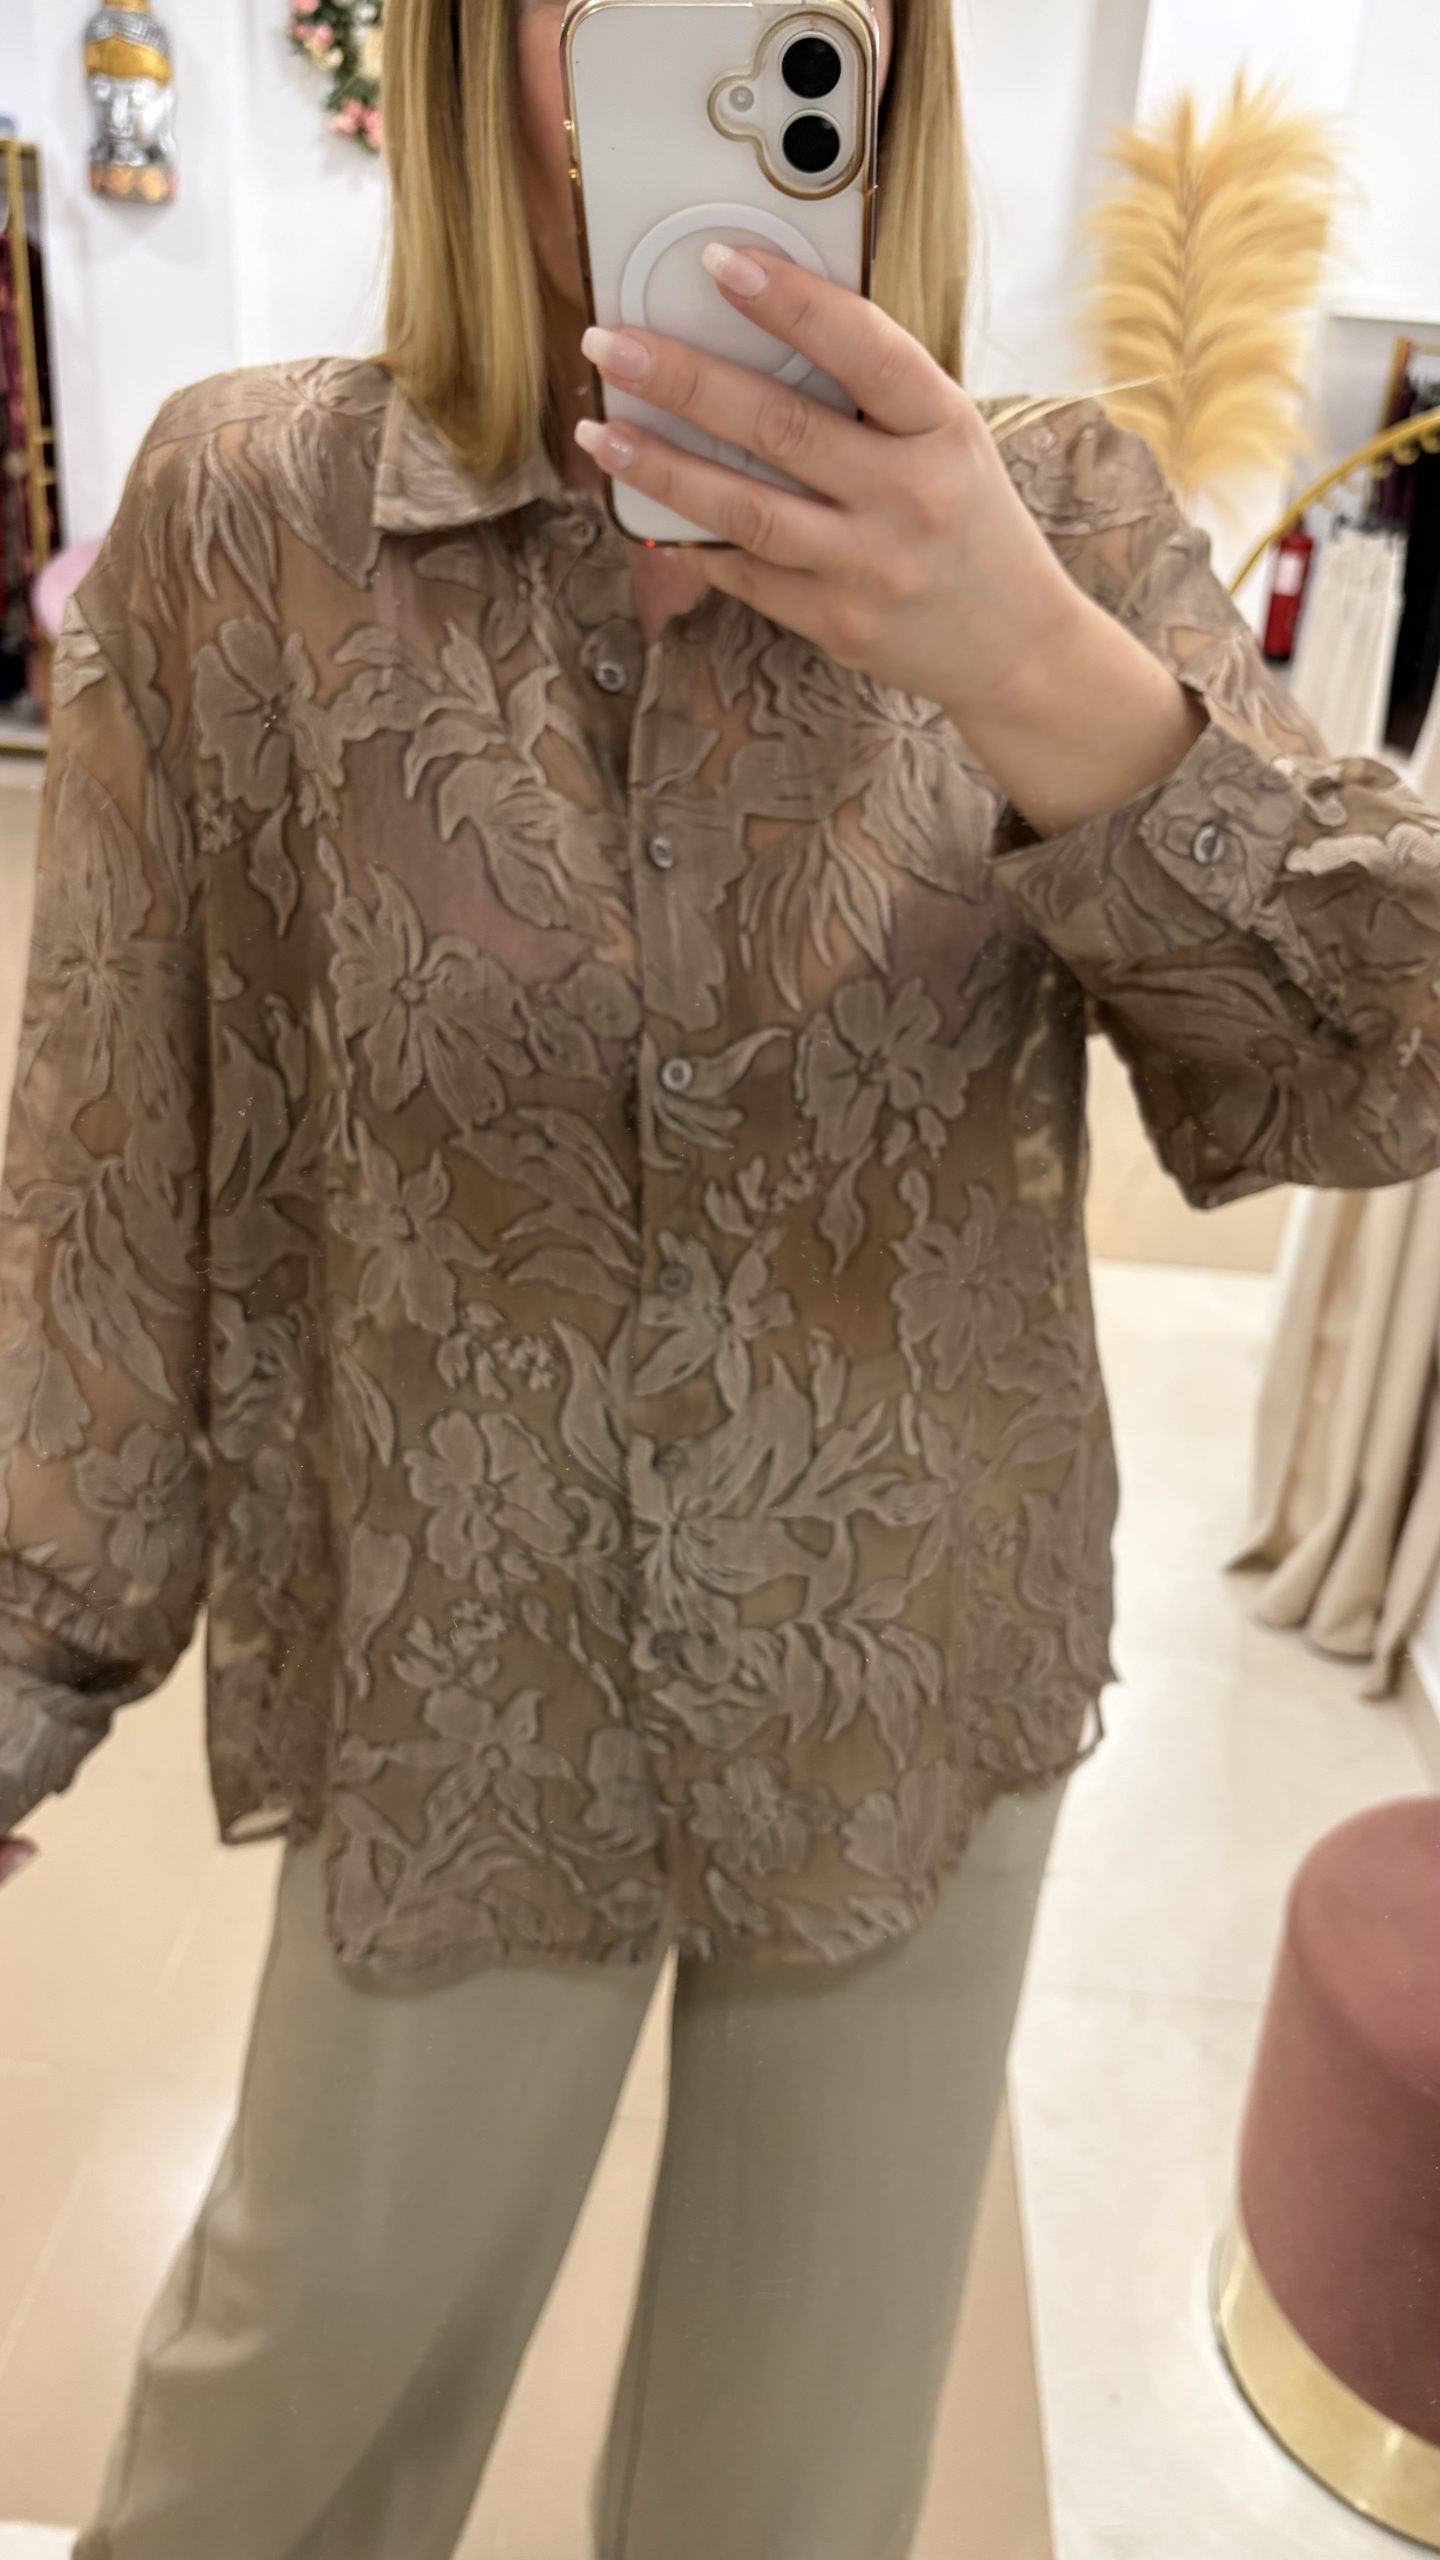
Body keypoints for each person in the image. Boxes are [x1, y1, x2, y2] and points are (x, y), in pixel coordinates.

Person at [2, 0, 1438, 2550]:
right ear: (480, 40)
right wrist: (28, 1662)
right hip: (465, 1683)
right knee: (278, 2423)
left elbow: (1365, 1072)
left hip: (913, 1664)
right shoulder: (247, 523)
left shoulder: (1061, 521)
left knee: (789, 2488)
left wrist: (1034, 666)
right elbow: (113, 1170)